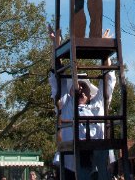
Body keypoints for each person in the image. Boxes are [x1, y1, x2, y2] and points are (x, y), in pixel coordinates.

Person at [49, 29, 116, 179]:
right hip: (71, 165)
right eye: (77, 87)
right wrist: (56, 46)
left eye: (83, 87)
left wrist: (104, 49)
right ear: (71, 92)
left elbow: (108, 81)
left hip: (96, 163)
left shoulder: (98, 105)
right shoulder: (65, 105)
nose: (81, 90)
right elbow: (56, 79)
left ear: (89, 93)